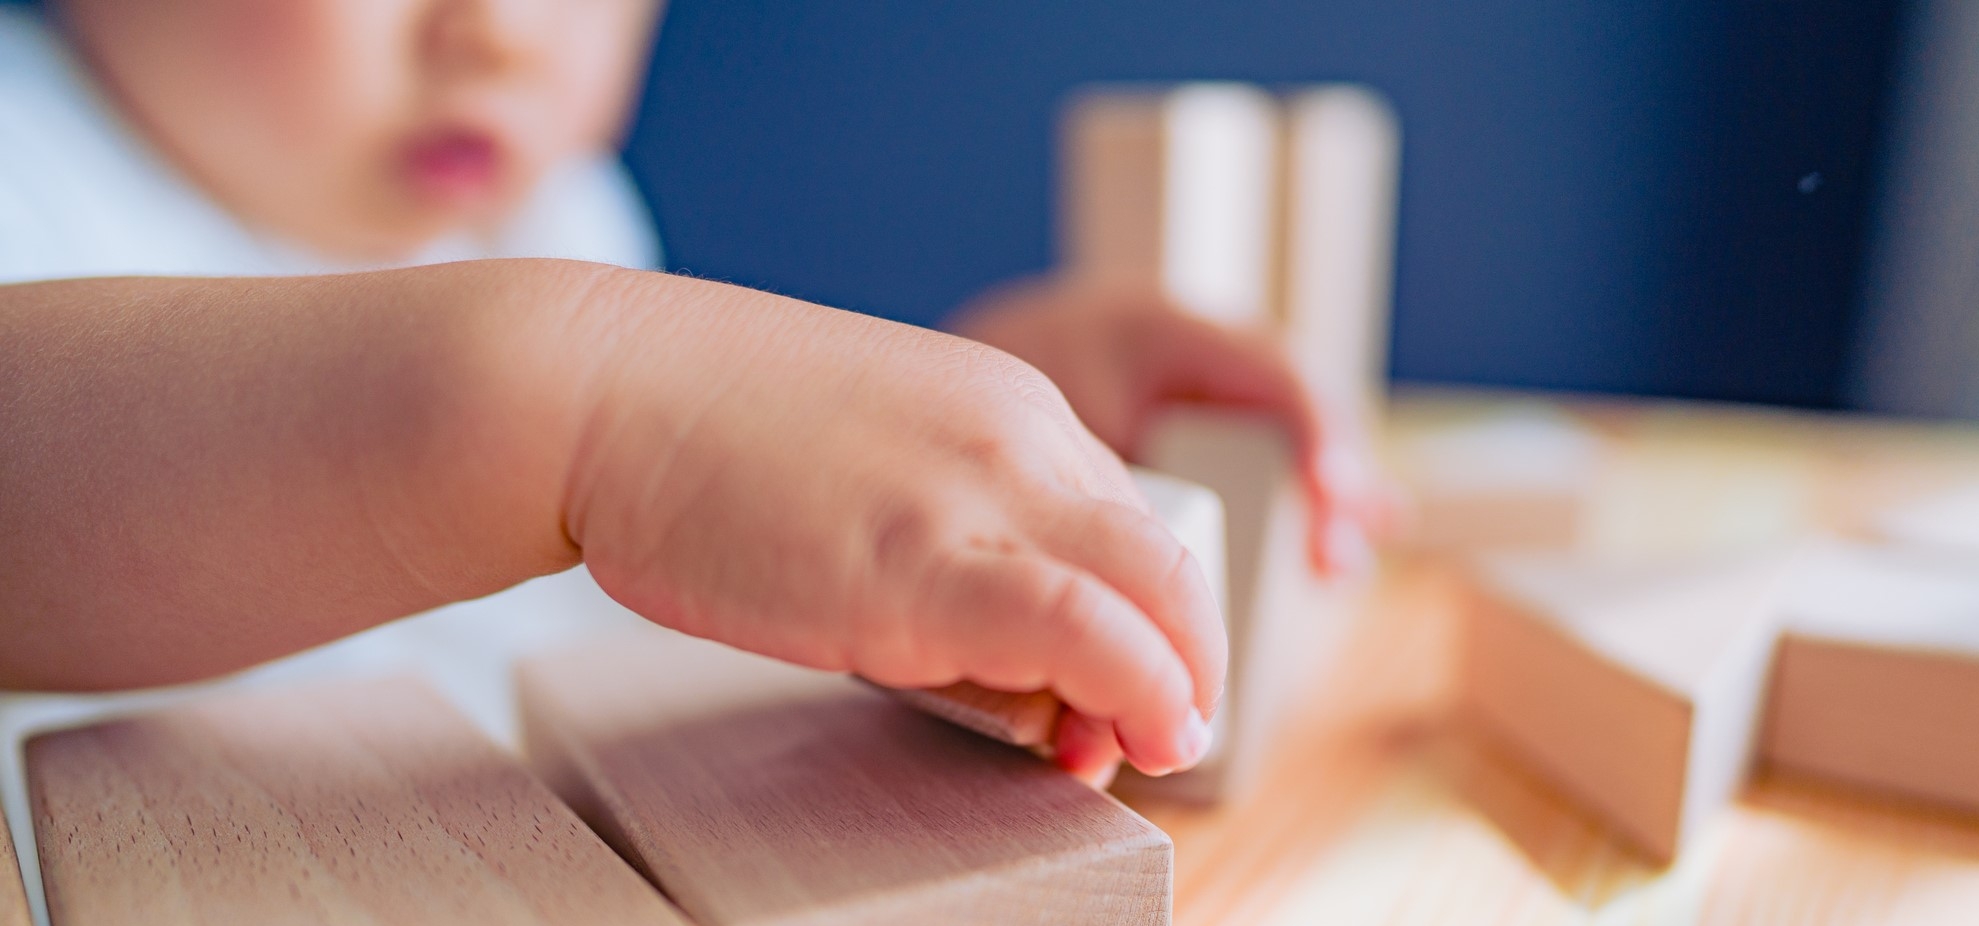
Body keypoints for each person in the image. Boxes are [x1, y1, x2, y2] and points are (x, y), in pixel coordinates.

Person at [0, 0, 1383, 786]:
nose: (503, 31)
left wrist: (964, 441)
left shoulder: (553, 213)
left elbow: (644, 589)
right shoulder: (33, 146)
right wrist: (571, 397)